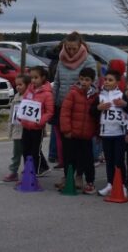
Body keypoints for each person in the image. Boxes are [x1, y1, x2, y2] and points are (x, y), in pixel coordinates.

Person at [52, 32, 97, 169]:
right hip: (62, 105)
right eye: (68, 48)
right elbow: (57, 82)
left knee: (79, 144)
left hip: (79, 107)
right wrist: (54, 102)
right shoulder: (61, 59)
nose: (71, 51)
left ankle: (79, 173)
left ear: (80, 46)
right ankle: (68, 174)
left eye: (74, 48)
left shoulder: (88, 60)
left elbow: (93, 84)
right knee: (66, 143)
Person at [58, 67, 99, 194]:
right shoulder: (73, 93)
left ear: (92, 81)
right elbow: (65, 112)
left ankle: (82, 178)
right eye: (82, 79)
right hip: (72, 133)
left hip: (86, 134)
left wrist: (96, 132)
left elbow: (96, 115)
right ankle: (67, 177)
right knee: (69, 157)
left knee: (86, 158)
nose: (84, 82)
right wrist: (66, 129)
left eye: (87, 80)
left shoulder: (95, 96)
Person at [95, 69, 128, 197]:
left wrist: (124, 104)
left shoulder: (122, 94)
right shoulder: (101, 95)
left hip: (119, 133)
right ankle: (110, 184)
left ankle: (122, 185)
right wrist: (99, 108)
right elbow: (92, 110)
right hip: (106, 133)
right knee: (109, 160)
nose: (107, 82)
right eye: (106, 80)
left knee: (119, 160)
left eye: (110, 80)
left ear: (118, 82)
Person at [19, 66, 55, 178]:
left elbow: (49, 111)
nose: (33, 80)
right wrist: (21, 116)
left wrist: (40, 121)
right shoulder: (29, 90)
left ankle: (36, 170)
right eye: (32, 78)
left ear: (43, 78)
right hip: (26, 126)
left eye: (36, 77)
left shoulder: (47, 94)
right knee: (25, 150)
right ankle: (27, 168)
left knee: (35, 151)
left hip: (37, 128)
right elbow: (24, 103)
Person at [3, 74, 31, 182]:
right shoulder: (16, 97)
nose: (18, 87)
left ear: (28, 85)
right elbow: (12, 115)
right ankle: (13, 171)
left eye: (21, 84)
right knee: (16, 152)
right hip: (17, 130)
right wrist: (10, 128)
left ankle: (28, 171)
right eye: (16, 85)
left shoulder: (30, 97)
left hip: (27, 130)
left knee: (27, 152)